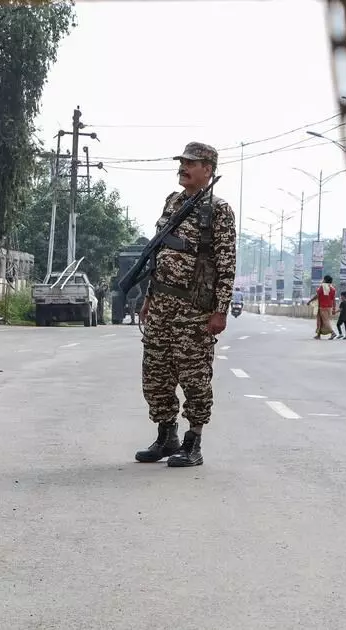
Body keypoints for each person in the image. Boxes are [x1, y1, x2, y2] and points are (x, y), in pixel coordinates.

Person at [134, 142, 236, 468]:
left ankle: (193, 442)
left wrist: (220, 310)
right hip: (161, 305)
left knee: (194, 377)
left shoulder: (218, 210)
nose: (183, 168)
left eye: (191, 163)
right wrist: (149, 297)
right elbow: (159, 256)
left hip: (194, 309)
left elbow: (226, 265)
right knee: (155, 375)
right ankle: (167, 436)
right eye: (182, 162)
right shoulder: (173, 202)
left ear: (208, 169)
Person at [307, 275, 338, 340]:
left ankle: (332, 332)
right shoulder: (332, 289)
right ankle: (318, 335)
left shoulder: (322, 287)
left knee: (325, 321)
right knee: (321, 321)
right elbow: (333, 299)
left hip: (322, 307)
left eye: (323, 279)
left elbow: (317, 295)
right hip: (329, 307)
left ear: (325, 280)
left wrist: (310, 301)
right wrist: (334, 309)